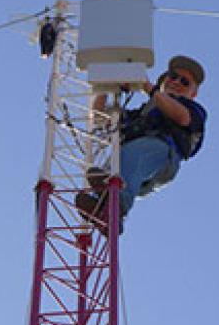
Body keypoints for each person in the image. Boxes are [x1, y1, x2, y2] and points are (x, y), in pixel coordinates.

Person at [75, 56, 207, 235]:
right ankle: (104, 209)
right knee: (120, 158)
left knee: (134, 153)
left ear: (193, 94)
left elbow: (182, 117)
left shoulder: (193, 110)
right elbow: (100, 118)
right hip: (135, 173)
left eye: (185, 82)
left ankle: (117, 204)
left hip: (161, 156)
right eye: (173, 76)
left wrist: (146, 85)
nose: (176, 82)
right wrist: (105, 87)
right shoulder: (143, 114)